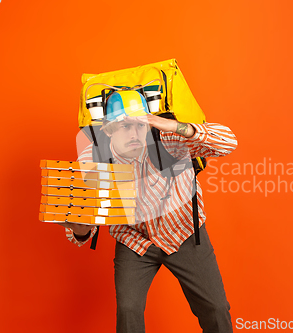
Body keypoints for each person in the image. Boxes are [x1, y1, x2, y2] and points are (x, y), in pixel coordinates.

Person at [58, 92, 238, 333]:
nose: (134, 134)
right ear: (109, 130)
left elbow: (229, 142)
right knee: (128, 310)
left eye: (139, 125)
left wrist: (175, 126)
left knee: (216, 308)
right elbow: (87, 218)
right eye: (124, 127)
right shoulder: (95, 158)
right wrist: (80, 231)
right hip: (134, 239)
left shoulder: (168, 137)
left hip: (183, 231)